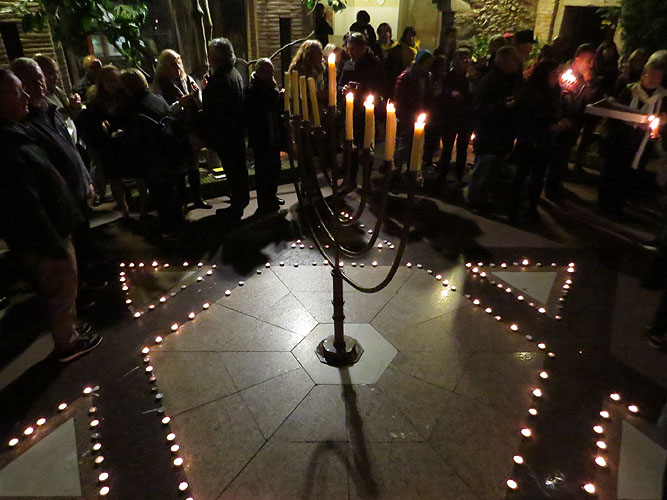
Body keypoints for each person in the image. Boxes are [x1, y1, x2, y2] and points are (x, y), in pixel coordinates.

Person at [0, 69, 101, 362]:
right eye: (18, 92)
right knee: (60, 286)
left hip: (53, 228)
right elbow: (24, 203)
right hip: (44, 236)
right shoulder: (6, 144)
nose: (26, 97)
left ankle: (68, 329)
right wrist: (52, 243)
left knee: (63, 286)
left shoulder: (17, 131)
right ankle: (67, 343)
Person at [10, 58, 97, 281]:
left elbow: (70, 146)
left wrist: (86, 178)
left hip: (76, 192)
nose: (39, 84)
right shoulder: (22, 124)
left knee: (85, 243)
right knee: (69, 259)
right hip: (58, 201)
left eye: (40, 78)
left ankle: (90, 277)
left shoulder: (51, 109)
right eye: (32, 80)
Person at [119, 69, 186, 238]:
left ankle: (170, 226)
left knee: (160, 192)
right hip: (169, 150)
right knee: (171, 189)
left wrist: (121, 135)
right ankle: (178, 220)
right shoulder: (157, 99)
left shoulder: (132, 107)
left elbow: (134, 136)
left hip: (152, 156)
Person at [598, 62, 666, 217]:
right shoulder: (629, 91)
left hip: (641, 144)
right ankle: (604, 204)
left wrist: (661, 122)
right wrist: (629, 120)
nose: (654, 80)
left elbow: (662, 120)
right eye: (651, 75)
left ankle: (618, 206)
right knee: (612, 171)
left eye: (658, 77)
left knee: (628, 176)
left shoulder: (663, 98)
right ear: (643, 75)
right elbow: (615, 112)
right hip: (620, 139)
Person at [153, 49, 212, 210]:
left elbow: (200, 105)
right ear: (164, 67)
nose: (178, 67)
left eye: (179, 63)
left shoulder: (187, 80)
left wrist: (197, 96)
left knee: (193, 165)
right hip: (175, 131)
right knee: (179, 167)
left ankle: (198, 198)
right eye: (173, 64)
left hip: (191, 128)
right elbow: (161, 110)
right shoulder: (159, 84)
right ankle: (182, 202)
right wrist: (179, 105)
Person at [466, 46, 522, 210]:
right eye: (512, 61)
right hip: (489, 134)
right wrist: (502, 105)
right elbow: (479, 108)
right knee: (484, 168)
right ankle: (474, 199)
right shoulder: (490, 81)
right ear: (503, 63)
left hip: (502, 133)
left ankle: (483, 197)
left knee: (493, 170)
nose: (516, 64)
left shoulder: (512, 80)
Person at [510, 60, 567, 223]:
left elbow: (556, 112)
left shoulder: (555, 91)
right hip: (529, 139)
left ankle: (532, 208)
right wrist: (549, 126)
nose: (557, 77)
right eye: (554, 74)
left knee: (538, 176)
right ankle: (514, 208)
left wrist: (560, 120)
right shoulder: (530, 91)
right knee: (522, 174)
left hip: (545, 141)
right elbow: (526, 116)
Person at [201, 38, 248, 221]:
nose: (209, 58)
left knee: (233, 169)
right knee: (238, 169)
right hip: (236, 130)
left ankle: (236, 207)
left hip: (226, 133)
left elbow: (214, 108)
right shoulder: (234, 73)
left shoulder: (220, 79)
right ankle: (240, 200)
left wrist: (206, 89)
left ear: (218, 56)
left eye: (211, 54)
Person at [546, 43, 598, 198]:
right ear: (577, 60)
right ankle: (549, 187)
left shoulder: (585, 80)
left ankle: (557, 183)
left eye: (593, 61)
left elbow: (588, 103)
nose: (591, 65)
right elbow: (555, 99)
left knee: (563, 157)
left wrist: (589, 85)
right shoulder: (562, 74)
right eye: (588, 60)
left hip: (574, 124)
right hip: (560, 124)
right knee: (555, 156)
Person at [78, 65, 129, 218]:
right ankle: (123, 207)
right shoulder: (96, 102)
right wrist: (104, 129)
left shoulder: (125, 97)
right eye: (109, 80)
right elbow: (94, 124)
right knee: (115, 176)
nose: (113, 84)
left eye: (115, 80)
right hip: (109, 143)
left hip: (125, 139)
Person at [427, 48, 474, 186]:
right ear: (455, 61)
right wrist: (451, 94)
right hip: (451, 117)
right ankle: (442, 175)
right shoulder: (448, 76)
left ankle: (459, 176)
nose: (466, 62)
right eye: (463, 59)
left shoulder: (471, 77)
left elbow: (473, 94)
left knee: (462, 148)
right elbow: (441, 93)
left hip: (465, 117)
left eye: (468, 59)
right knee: (447, 147)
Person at [245, 59, 285, 215]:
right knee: (263, 171)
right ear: (260, 72)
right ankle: (264, 202)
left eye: (272, 72)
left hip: (272, 134)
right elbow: (263, 104)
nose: (271, 75)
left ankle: (272, 196)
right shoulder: (253, 89)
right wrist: (276, 92)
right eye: (268, 72)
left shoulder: (268, 87)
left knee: (275, 169)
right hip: (262, 137)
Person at [393, 49, 434, 175]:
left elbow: (427, 95)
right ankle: (396, 170)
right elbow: (400, 98)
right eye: (427, 63)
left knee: (416, 145)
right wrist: (404, 114)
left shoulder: (427, 76)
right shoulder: (406, 77)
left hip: (420, 115)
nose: (428, 66)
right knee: (404, 144)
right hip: (408, 116)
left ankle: (411, 171)